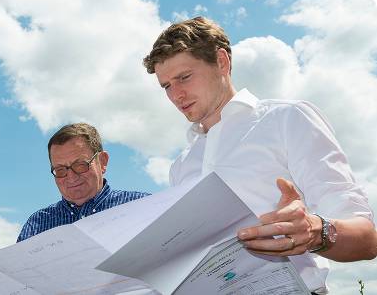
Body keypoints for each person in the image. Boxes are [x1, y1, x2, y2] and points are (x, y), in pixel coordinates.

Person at [143, 16, 377, 293]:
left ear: (221, 61)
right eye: (166, 85)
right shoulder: (181, 165)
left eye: (184, 77)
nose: (176, 95)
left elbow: (368, 239)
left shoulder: (287, 119)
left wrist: (316, 232)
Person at [17, 123, 150, 242]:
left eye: (80, 165)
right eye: (60, 170)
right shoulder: (37, 225)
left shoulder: (145, 206)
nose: (71, 177)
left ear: (103, 161)